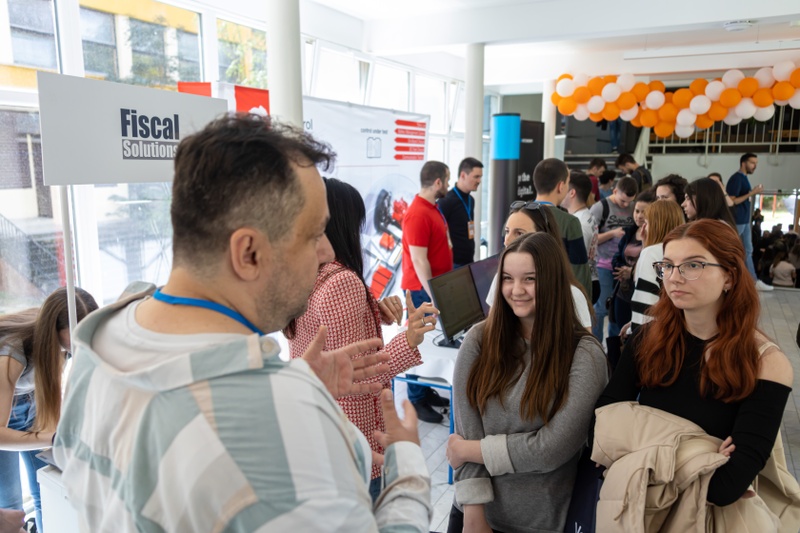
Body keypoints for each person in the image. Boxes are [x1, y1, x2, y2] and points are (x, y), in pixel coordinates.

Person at [53, 114, 433, 532]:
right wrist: (408, 471)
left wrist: (294, 384)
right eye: (313, 235)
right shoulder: (279, 420)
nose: (326, 251)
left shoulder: (97, 347)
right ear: (248, 252)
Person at [596, 219, 793, 507]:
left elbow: (726, 487)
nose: (674, 277)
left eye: (693, 265)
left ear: (729, 276)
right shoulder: (647, 339)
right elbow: (600, 428)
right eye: (667, 265)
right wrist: (702, 457)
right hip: (638, 513)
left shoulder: (766, 363)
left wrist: (637, 454)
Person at [286, 177, 439, 500]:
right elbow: (360, 377)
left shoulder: (305, 274)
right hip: (358, 442)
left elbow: (321, 336)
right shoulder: (341, 283)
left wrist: (371, 312)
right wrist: (409, 339)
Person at [446, 232, 608, 533]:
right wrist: (473, 513)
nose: (516, 290)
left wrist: (470, 450)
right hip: (472, 516)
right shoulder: (479, 340)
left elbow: (553, 449)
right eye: (507, 278)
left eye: (529, 279)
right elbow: (467, 428)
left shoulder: (584, 355)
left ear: (553, 282)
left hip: (541, 523)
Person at [1, 286, 97, 533]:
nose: (81, 343)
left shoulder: (62, 344)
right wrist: (54, 437)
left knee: (45, 487)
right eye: (75, 336)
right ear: (52, 329)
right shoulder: (13, 352)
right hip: (3, 414)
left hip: (27, 402)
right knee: (11, 505)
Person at [401, 160, 453, 423]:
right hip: (420, 290)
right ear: (437, 183)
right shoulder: (418, 214)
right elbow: (419, 260)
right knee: (416, 343)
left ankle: (424, 390)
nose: (449, 184)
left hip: (431, 288)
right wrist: (433, 293)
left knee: (428, 345)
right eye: (448, 179)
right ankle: (416, 398)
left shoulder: (431, 208)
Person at [492, 201, 593, 329]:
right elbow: (492, 326)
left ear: (544, 238)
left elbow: (587, 346)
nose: (507, 240)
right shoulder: (499, 279)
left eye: (519, 233)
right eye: (507, 231)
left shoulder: (571, 295)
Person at [532, 158, 591, 296]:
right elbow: (579, 272)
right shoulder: (569, 222)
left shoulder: (515, 217)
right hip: (558, 299)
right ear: (561, 186)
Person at [589, 176, 638, 341]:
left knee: (616, 312)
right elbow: (591, 238)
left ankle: (614, 347)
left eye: (629, 202)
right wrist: (612, 233)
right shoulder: (600, 207)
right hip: (602, 264)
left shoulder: (633, 208)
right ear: (615, 191)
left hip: (623, 266)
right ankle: (595, 346)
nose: (626, 205)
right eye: (623, 201)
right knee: (600, 309)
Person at [629, 200, 685, 331]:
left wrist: (634, 332)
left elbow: (645, 305)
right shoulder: (684, 249)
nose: (644, 228)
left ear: (655, 225)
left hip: (653, 334)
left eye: (647, 223)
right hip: (675, 326)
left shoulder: (651, 253)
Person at [610, 189, 655, 331]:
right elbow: (617, 257)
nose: (639, 216)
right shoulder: (629, 232)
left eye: (644, 212)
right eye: (636, 211)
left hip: (643, 293)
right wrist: (622, 269)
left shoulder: (656, 236)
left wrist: (633, 271)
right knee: (619, 332)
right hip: (623, 292)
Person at [726, 153, 773, 291]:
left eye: (756, 163)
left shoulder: (743, 178)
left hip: (744, 219)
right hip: (738, 219)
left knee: (748, 250)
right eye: (752, 163)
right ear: (743, 163)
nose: (755, 166)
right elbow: (732, 201)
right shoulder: (736, 179)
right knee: (731, 248)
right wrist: (752, 193)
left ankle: (752, 281)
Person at [438, 157, 483, 268]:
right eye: (476, 177)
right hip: (453, 264)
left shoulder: (471, 200)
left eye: (480, 177)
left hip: (468, 261)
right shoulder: (446, 201)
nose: (479, 181)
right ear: (463, 175)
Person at [562, 172, 600, 303]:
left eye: (563, 188)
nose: (559, 192)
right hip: (588, 280)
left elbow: (576, 262)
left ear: (572, 193)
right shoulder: (586, 216)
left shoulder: (579, 222)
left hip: (582, 284)